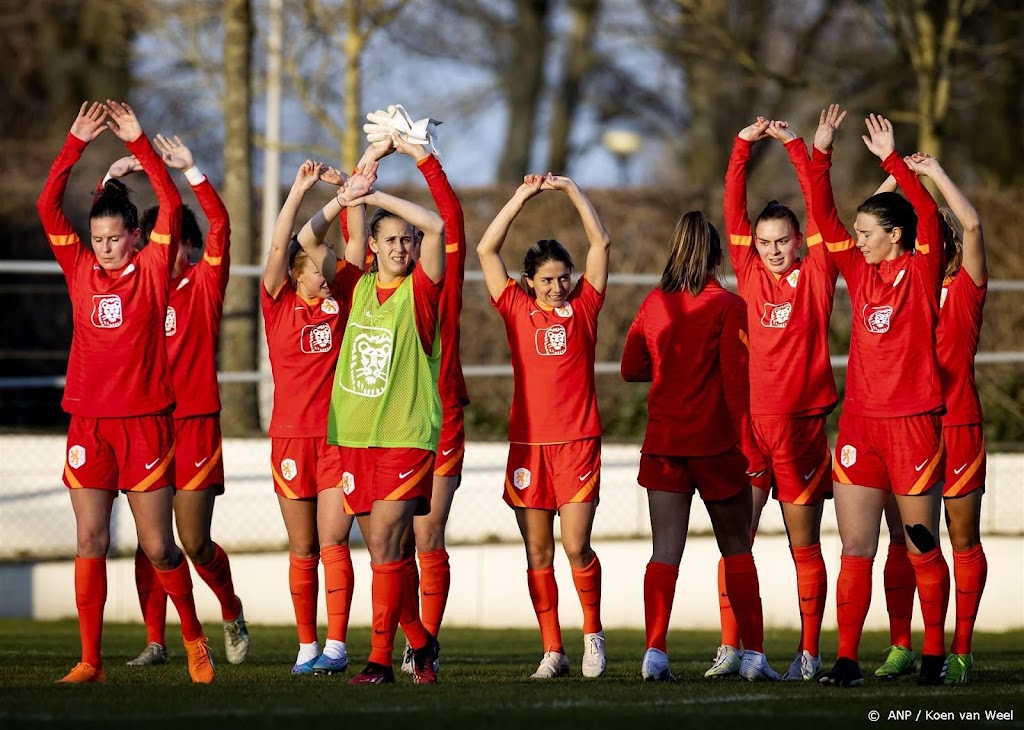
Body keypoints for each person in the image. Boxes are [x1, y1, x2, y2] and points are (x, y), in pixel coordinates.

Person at [37, 100, 213, 684]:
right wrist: (73, 145)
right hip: (88, 423)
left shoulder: (156, 265)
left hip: (145, 423)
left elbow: (166, 197)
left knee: (161, 547)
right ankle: (90, 661)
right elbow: (45, 204)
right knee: (90, 536)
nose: (106, 246)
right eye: (98, 237)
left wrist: (140, 145)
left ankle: (192, 637)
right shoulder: (80, 268)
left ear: (135, 236)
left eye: (115, 237)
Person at [297, 133, 447, 685]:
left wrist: (378, 198)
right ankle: (421, 642)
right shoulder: (354, 286)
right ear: (376, 248)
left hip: (407, 433)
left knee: (385, 541)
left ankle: (380, 660)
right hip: (354, 435)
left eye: (407, 241)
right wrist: (344, 199)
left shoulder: (423, 291)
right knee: (385, 552)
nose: (404, 248)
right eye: (393, 242)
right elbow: (307, 238)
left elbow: (438, 227)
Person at [810, 108, 949, 687]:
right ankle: (846, 661)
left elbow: (930, 218)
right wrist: (820, 152)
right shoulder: (856, 268)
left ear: (896, 234)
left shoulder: (920, 268)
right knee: (855, 547)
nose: (856, 238)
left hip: (914, 424)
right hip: (861, 428)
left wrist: (895, 161)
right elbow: (821, 215)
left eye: (868, 232)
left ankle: (935, 655)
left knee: (919, 544)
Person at [101, 135, 249, 669]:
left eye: (186, 243)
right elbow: (105, 236)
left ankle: (230, 610)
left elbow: (222, 228)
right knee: (150, 540)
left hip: (195, 425)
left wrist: (193, 172)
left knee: (192, 540)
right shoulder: (137, 285)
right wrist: (112, 183)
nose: (176, 252)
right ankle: (158, 641)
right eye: (170, 242)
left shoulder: (203, 286)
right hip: (148, 422)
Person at [622, 210, 779, 683]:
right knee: (736, 551)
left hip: (665, 443)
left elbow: (631, 366)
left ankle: (655, 652)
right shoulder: (730, 306)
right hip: (713, 445)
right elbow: (736, 386)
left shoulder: (653, 303)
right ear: (715, 255)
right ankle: (753, 656)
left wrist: (674, 371)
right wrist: (748, 447)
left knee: (664, 552)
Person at [716, 116, 840, 681]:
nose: (770, 250)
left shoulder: (817, 272)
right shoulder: (746, 268)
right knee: (736, 540)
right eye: (763, 242)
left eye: (781, 241)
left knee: (803, 542)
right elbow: (732, 206)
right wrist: (742, 144)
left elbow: (821, 208)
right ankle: (736, 649)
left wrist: (798, 147)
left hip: (801, 426)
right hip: (751, 429)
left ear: (799, 241)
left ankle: (809, 652)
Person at [477, 173, 610, 680]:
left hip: (577, 444)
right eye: (547, 279)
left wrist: (574, 190)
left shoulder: (586, 309)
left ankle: (592, 635)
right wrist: (521, 195)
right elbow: (488, 250)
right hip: (529, 448)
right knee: (538, 550)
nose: (557, 286)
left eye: (563, 277)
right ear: (529, 281)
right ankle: (553, 650)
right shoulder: (514, 307)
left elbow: (601, 241)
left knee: (576, 545)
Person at [873, 154, 988, 685]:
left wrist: (936, 173)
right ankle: (903, 645)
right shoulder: (901, 284)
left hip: (958, 424)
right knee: (906, 541)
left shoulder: (964, 286)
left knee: (961, 540)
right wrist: (897, 170)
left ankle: (960, 651)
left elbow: (972, 223)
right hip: (910, 425)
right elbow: (874, 221)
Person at [262, 160, 366, 674]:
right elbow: (282, 245)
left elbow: (354, 251)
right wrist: (302, 188)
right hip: (288, 440)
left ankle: (337, 646)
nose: (327, 281)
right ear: (296, 276)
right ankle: (306, 646)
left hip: (336, 438)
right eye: (317, 275)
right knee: (301, 547)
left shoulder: (341, 303)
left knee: (333, 541)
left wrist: (353, 197)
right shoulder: (278, 303)